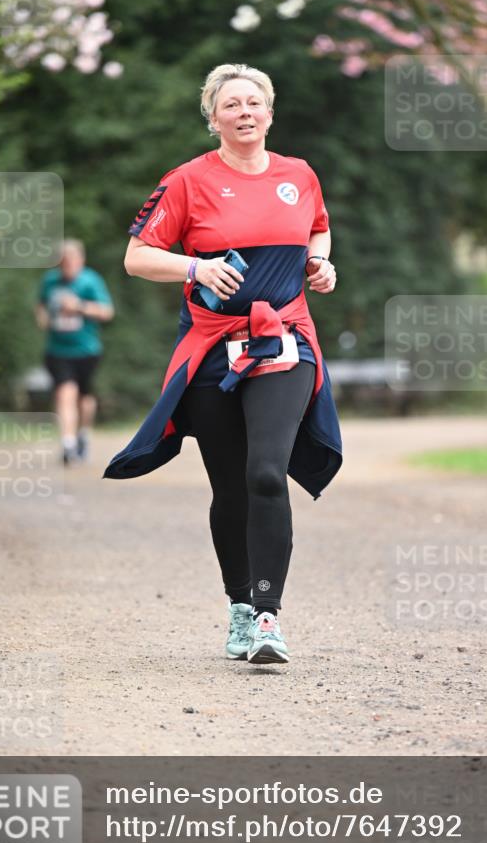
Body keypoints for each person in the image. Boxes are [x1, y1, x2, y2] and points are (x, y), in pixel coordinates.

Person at [104, 63, 342, 664]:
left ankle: (267, 618)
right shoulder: (187, 180)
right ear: (213, 118)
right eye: (231, 104)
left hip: (284, 337)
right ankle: (239, 605)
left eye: (254, 102)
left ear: (270, 113)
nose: (244, 112)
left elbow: (318, 230)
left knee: (267, 472)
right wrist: (196, 267)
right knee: (231, 484)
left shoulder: (299, 174)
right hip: (212, 346)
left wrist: (320, 264)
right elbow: (136, 256)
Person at [36, 239, 114, 465]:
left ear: (81, 260)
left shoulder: (90, 281)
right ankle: (68, 445)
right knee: (65, 392)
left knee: (84, 398)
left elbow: (107, 312)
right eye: (63, 262)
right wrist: (43, 319)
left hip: (86, 350)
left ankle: (83, 435)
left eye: (71, 261)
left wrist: (79, 306)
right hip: (58, 350)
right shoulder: (50, 281)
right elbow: (40, 305)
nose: (67, 265)